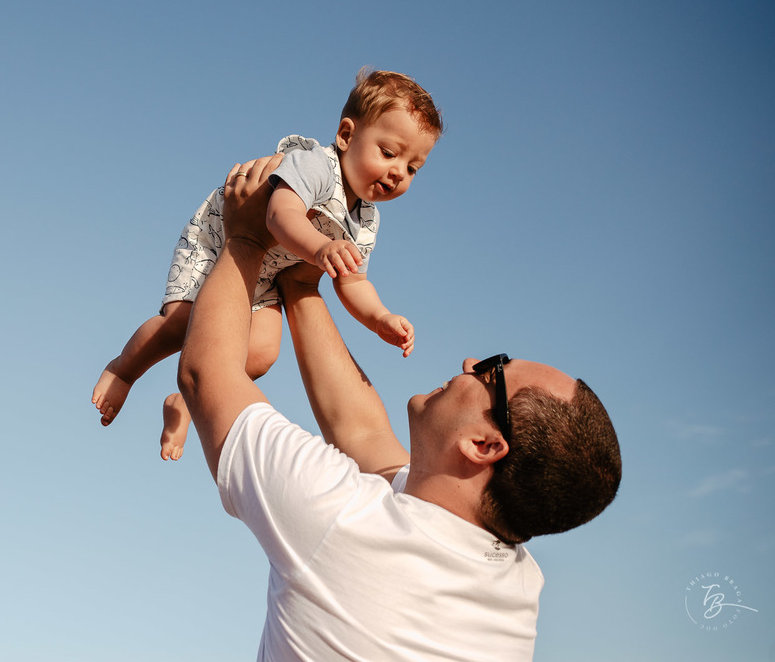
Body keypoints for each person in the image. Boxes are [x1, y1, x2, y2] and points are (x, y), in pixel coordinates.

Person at [176, 155, 622, 661]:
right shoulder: (513, 587)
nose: (470, 362)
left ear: (483, 444)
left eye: (492, 371)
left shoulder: (345, 526)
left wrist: (246, 238)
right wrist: (300, 284)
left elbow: (206, 376)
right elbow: (362, 433)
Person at [92, 69, 443, 460]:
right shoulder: (315, 166)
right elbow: (281, 215)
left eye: (413, 168)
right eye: (390, 153)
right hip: (221, 241)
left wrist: (379, 317)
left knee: (262, 353)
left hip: (266, 271)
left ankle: (187, 403)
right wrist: (321, 248)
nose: (398, 172)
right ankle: (124, 369)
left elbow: (354, 280)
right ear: (346, 135)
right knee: (180, 323)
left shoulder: (366, 220)